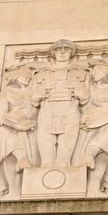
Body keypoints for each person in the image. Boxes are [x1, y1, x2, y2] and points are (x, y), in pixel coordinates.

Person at [31, 39, 89, 167]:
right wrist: (40, 94)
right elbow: (34, 99)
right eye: (58, 49)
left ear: (71, 53)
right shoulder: (43, 73)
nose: (62, 52)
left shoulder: (79, 73)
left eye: (66, 49)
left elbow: (85, 97)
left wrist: (78, 91)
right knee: (46, 160)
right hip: (47, 114)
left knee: (64, 160)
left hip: (69, 113)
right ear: (53, 53)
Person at [72, 59, 108, 196]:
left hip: (106, 124)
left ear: (106, 72)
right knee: (104, 145)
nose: (93, 73)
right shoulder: (88, 87)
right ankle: (90, 157)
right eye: (92, 70)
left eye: (96, 70)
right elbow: (82, 108)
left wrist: (104, 117)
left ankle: (91, 155)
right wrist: (86, 119)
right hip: (89, 125)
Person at [0, 70, 40, 200]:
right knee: (1, 134)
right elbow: (0, 118)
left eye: (29, 76)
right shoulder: (7, 93)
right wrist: (17, 126)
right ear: (15, 76)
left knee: (11, 141)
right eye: (24, 75)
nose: (28, 78)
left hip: (31, 128)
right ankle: (21, 158)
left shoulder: (35, 91)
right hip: (12, 126)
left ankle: (21, 158)